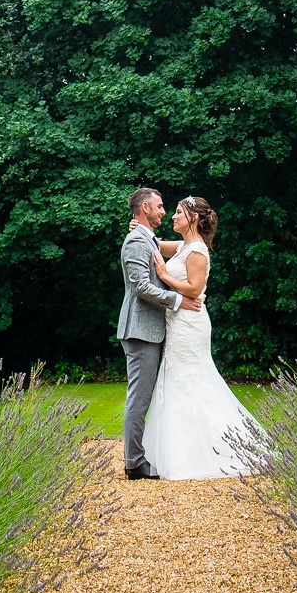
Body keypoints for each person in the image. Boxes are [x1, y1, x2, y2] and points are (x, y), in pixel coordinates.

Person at [139, 194, 267, 479]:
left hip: (190, 323)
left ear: (193, 218)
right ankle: (183, 447)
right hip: (177, 321)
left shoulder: (197, 250)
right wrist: (140, 228)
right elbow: (156, 245)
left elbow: (194, 289)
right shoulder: (184, 245)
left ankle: (219, 449)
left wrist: (163, 274)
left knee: (191, 379)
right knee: (176, 378)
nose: (172, 217)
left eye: (178, 213)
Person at [115, 187, 199, 480]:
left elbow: (188, 246)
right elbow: (140, 286)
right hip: (140, 330)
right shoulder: (136, 241)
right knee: (139, 398)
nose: (164, 211)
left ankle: (136, 456)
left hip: (151, 329)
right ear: (145, 208)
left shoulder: (146, 237)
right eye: (160, 206)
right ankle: (134, 462)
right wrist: (178, 300)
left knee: (143, 396)